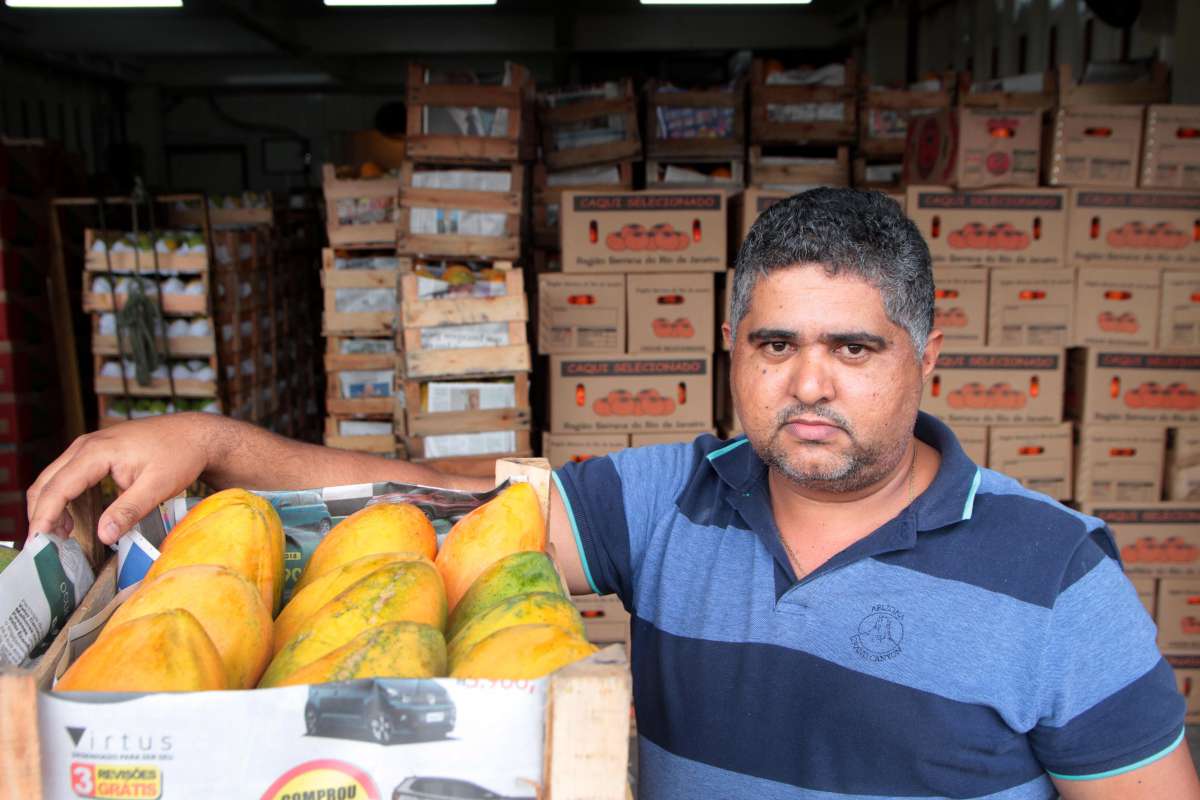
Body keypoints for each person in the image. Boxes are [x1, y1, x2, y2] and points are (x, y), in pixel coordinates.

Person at [28, 188, 1199, 799]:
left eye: (854, 349)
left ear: (925, 359)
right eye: (775, 343)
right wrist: (208, 438)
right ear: (730, 348)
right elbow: (441, 498)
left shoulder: (1055, 576)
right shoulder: (672, 497)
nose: (807, 384)